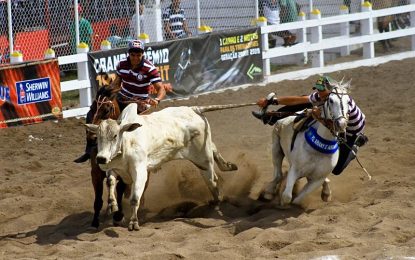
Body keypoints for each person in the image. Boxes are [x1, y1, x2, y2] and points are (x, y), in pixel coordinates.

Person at [252, 75, 368, 175]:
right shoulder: (324, 95)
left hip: (350, 131)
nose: (318, 93)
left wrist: (317, 114)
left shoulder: (342, 102)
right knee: (305, 102)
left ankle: (355, 146)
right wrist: (273, 101)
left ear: (329, 90)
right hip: (334, 118)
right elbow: (298, 100)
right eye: (318, 90)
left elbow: (337, 126)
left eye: (321, 90)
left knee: (336, 170)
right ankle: (271, 117)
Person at [74, 39, 166, 163]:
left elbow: (161, 89)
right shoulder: (122, 64)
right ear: (129, 54)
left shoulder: (149, 68)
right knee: (94, 111)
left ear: (142, 54)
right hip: (122, 97)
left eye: (138, 55)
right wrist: (109, 90)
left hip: (139, 103)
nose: (135, 57)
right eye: (133, 55)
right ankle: (89, 150)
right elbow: (117, 83)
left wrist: (157, 99)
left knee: (126, 124)